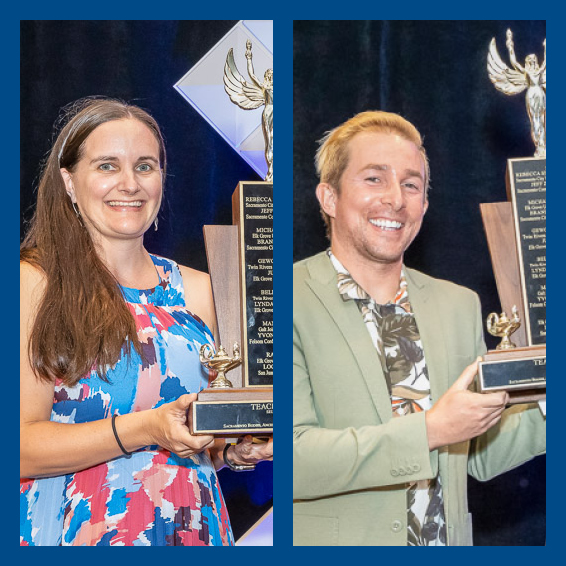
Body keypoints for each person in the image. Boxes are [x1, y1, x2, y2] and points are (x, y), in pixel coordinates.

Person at [20, 97, 273, 546]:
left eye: (144, 166)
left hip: (192, 527)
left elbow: (195, 440)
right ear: (69, 182)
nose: (129, 184)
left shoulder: (201, 289)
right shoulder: (32, 283)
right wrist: (147, 428)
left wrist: (232, 450)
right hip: (75, 532)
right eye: (106, 166)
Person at [293, 111, 545, 546]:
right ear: (328, 197)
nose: (396, 199)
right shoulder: (287, 299)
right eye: (374, 179)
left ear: (425, 204)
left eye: (412, 185)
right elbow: (292, 459)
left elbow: (479, 455)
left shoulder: (459, 304)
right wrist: (431, 430)